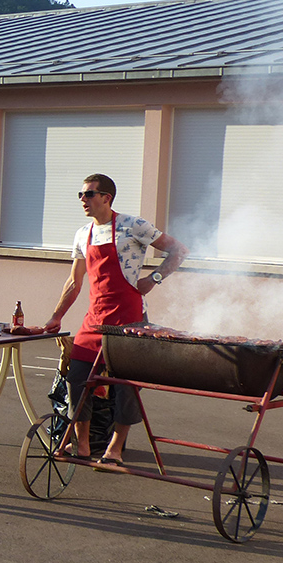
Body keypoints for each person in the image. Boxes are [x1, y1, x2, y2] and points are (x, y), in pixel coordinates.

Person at [44, 173, 188, 467]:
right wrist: (55, 317)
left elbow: (179, 250)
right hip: (94, 319)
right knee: (77, 379)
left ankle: (115, 447)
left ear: (106, 198)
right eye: (81, 195)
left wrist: (155, 278)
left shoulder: (133, 226)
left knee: (126, 386)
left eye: (88, 194)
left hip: (129, 319)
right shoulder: (82, 234)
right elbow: (74, 282)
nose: (83, 200)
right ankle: (82, 443)